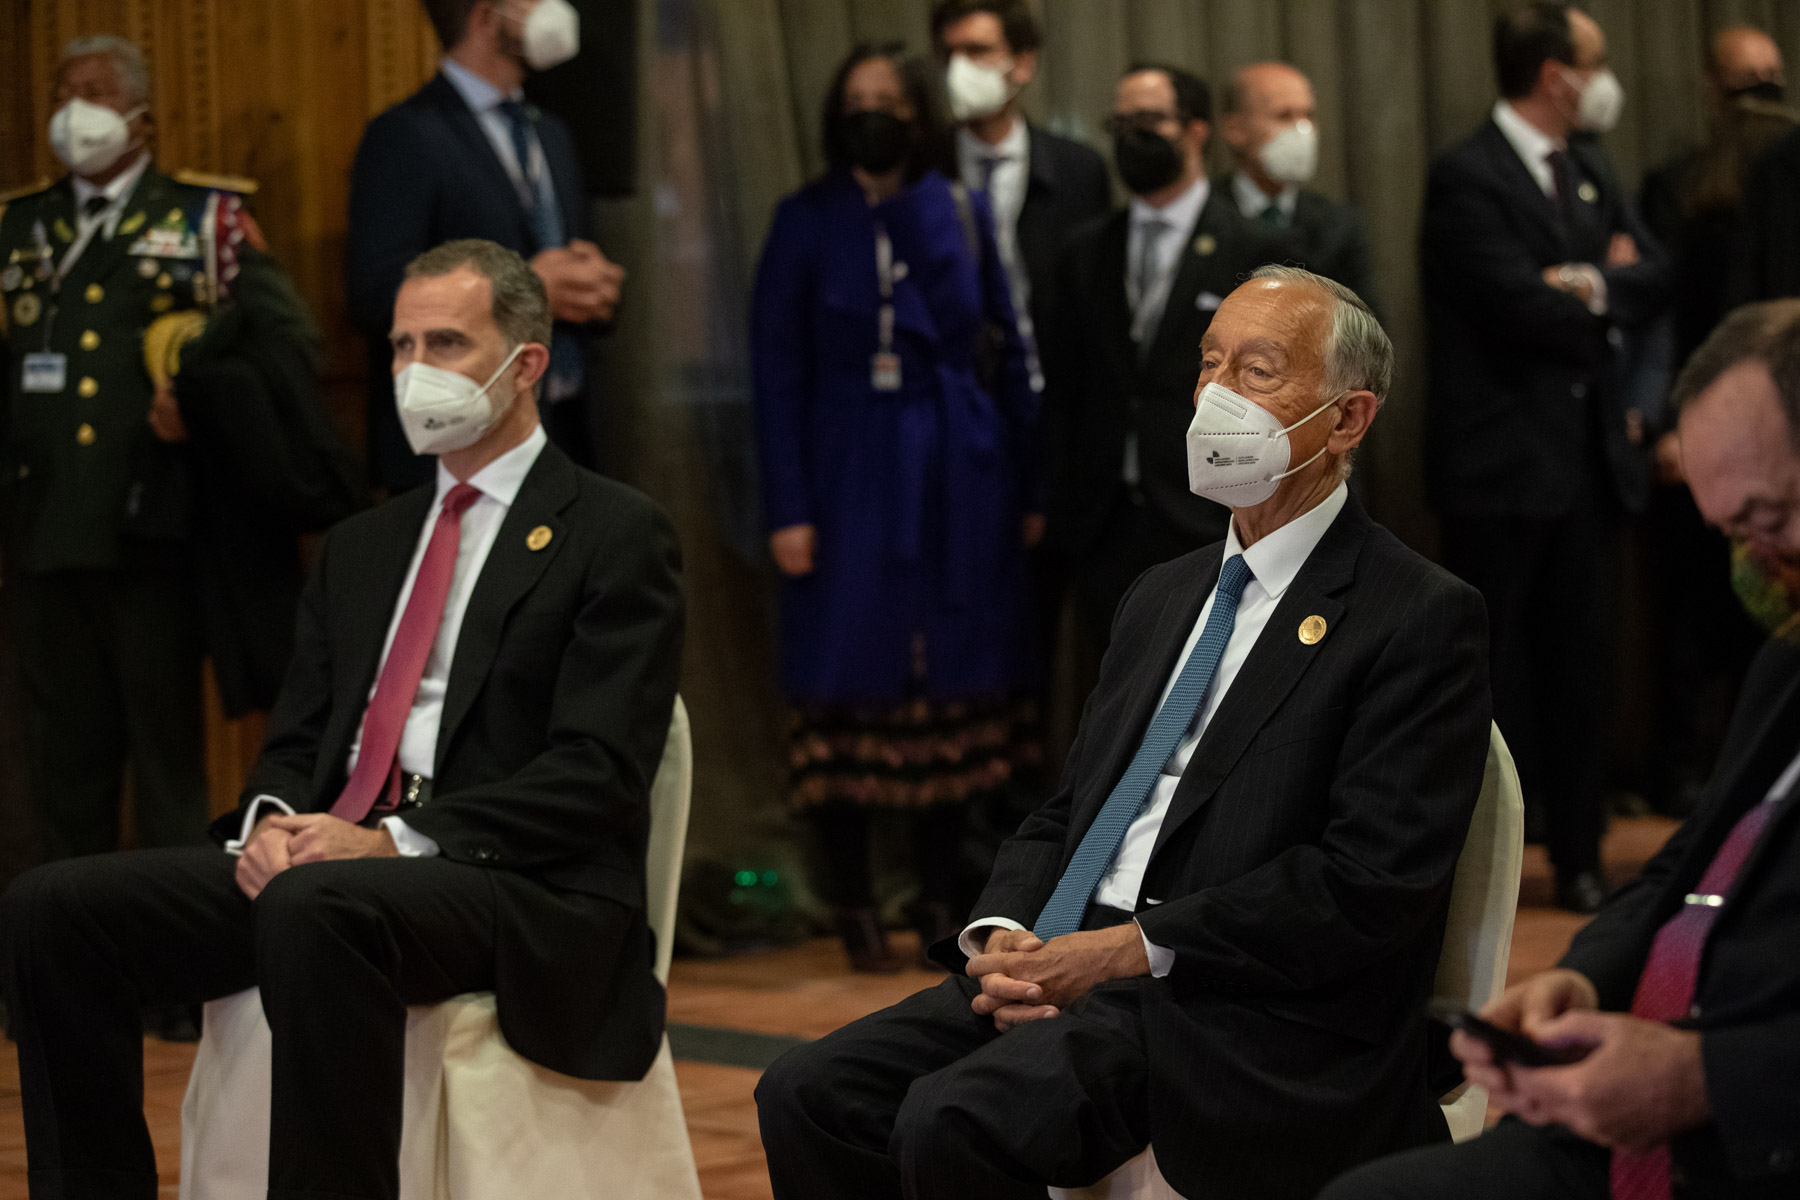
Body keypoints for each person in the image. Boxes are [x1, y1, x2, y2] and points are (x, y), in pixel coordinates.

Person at [756, 266, 1494, 1200]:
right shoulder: (1162, 595)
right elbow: (1074, 810)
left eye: (1258, 372)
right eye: (1209, 365)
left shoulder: (1416, 614)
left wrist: (1128, 948)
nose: (1217, 396)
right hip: (1074, 958)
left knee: (955, 1117)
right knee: (807, 1092)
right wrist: (1006, 932)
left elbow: (1368, 884)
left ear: (1347, 419)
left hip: (1234, 1005)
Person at [0, 238, 685, 1200]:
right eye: (401, 345)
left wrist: (393, 841)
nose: (413, 371)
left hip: (516, 881)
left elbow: (597, 773)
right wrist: (270, 823)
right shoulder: (364, 543)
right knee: (55, 910)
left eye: (445, 343)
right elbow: (298, 738)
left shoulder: (614, 531)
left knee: (315, 907)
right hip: (336, 863)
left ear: (526, 362)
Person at [1321, 298, 1800, 1200]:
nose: (1754, 568)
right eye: (1733, 534)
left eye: (1769, 519)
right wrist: (1580, 979)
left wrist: (1703, 1077)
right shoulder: (1787, 662)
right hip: (1648, 1114)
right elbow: (1686, 867)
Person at [0, 36, 357, 868]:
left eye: (96, 92)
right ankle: (68, 939)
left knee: (167, 763)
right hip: (43, 531)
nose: (75, 111)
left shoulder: (205, 220)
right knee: (65, 767)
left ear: (143, 118)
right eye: (64, 93)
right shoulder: (18, 226)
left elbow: (286, 341)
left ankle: (165, 939)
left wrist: (201, 395)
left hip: (155, 532)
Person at [751, 45, 1043, 974]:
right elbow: (774, 373)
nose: (872, 114)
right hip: (844, 469)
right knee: (844, 671)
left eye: (889, 100)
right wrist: (789, 507)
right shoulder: (803, 219)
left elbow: (1011, 347)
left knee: (951, 678)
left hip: (957, 466)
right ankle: (853, 901)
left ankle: (941, 899)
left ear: (919, 114)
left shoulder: (960, 209)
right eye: (857, 100)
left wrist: (1029, 484)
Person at [1421, 2, 1668, 913]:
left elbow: (1656, 277)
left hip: (1586, 470)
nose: (1603, 80)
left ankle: (1580, 854)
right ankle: (1479, 868)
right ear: (1556, 75)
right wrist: (1600, 288)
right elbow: (1515, 308)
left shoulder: (1593, 169)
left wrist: (1587, 282)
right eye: (1594, 62)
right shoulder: (1467, 174)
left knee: (1584, 670)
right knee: (1493, 681)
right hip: (1499, 473)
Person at [1047, 63, 1289, 662]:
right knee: (1110, 690)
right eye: (1121, 123)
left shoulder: (1253, 248)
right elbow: (1064, 389)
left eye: (1150, 120)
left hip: (1205, 515)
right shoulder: (1084, 250)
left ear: (1196, 130)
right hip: (1103, 521)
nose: (1133, 136)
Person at [347, 0, 624, 492]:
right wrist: (526, 288)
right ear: (485, 17)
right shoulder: (405, 134)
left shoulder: (551, 133)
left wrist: (597, 289)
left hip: (564, 432)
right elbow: (377, 294)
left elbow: (569, 262)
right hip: (462, 448)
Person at [1636, 27, 1789, 816]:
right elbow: (1675, 319)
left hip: (1727, 429)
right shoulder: (1681, 187)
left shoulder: (1699, 183)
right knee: (1704, 618)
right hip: (1725, 428)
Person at [1217, 61, 1377, 308]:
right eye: (1284, 116)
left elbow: (1364, 322)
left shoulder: (1339, 225)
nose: (1303, 131)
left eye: (1308, 116)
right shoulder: (1203, 215)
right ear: (1235, 130)